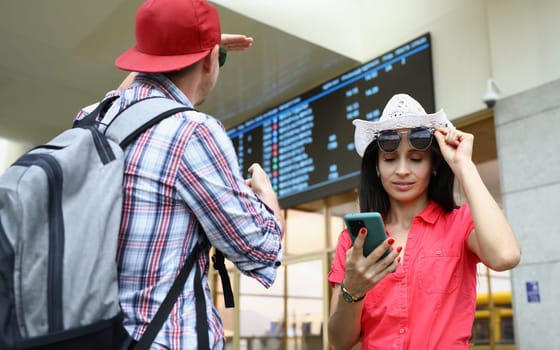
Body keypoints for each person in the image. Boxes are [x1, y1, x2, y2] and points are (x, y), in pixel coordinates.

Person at [74, 0, 283, 349]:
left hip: (92, 336)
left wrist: (175, 47)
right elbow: (259, 248)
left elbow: (126, 94)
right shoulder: (192, 131)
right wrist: (269, 202)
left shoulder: (92, 117)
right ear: (209, 60)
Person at [327, 93, 521, 349]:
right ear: (376, 166)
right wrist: (352, 290)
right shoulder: (354, 242)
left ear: (434, 165)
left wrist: (463, 165)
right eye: (390, 159)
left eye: (416, 158)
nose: (402, 170)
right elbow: (339, 342)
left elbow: (505, 256)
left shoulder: (460, 224)